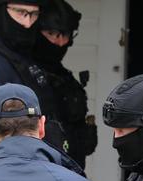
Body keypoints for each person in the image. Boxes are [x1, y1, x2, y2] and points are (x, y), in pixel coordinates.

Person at [0, 0, 66, 166]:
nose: (28, 23)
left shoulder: (21, 56)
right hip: (7, 179)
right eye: (21, 13)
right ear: (2, 11)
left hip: (39, 172)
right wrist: (22, 174)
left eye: (34, 14)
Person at [33, 0, 98, 168]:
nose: (60, 42)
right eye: (53, 34)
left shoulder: (65, 78)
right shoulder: (25, 73)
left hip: (71, 171)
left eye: (66, 35)